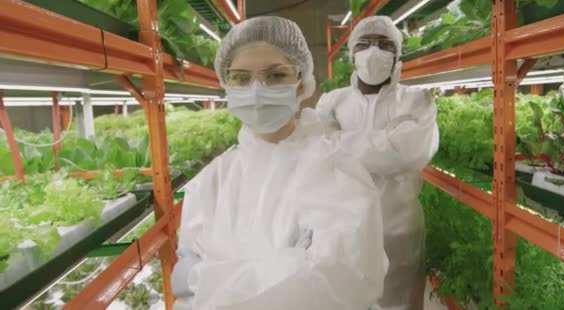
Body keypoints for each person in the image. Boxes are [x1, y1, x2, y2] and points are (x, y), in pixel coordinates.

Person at [171, 16, 387, 310]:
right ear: (227, 86)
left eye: (275, 75)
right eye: (241, 78)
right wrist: (290, 266)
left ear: (301, 84)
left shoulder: (338, 172)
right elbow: (187, 300)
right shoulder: (212, 181)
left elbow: (341, 288)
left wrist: (204, 279)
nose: (257, 90)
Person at [317, 16, 439, 310]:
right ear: (352, 55)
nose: (374, 51)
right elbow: (317, 152)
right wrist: (385, 142)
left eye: (385, 44)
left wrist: (340, 142)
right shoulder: (332, 102)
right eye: (364, 44)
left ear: (398, 55)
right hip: (343, 229)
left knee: (399, 302)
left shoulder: (417, 100)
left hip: (399, 228)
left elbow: (409, 152)